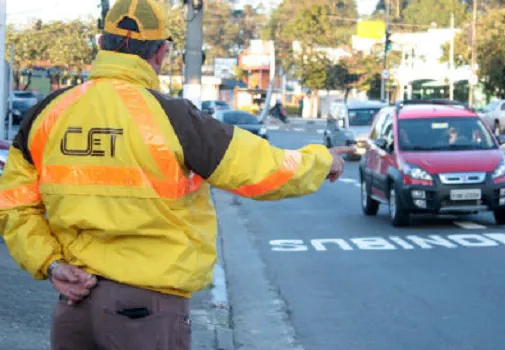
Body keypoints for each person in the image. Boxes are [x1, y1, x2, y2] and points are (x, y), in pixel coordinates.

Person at [0, 1, 355, 349]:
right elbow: (261, 169)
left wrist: (50, 263)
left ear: (100, 44)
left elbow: (13, 206)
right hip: (145, 314)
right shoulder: (171, 117)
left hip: (73, 308)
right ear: (161, 53)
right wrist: (321, 161)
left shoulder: (45, 115)